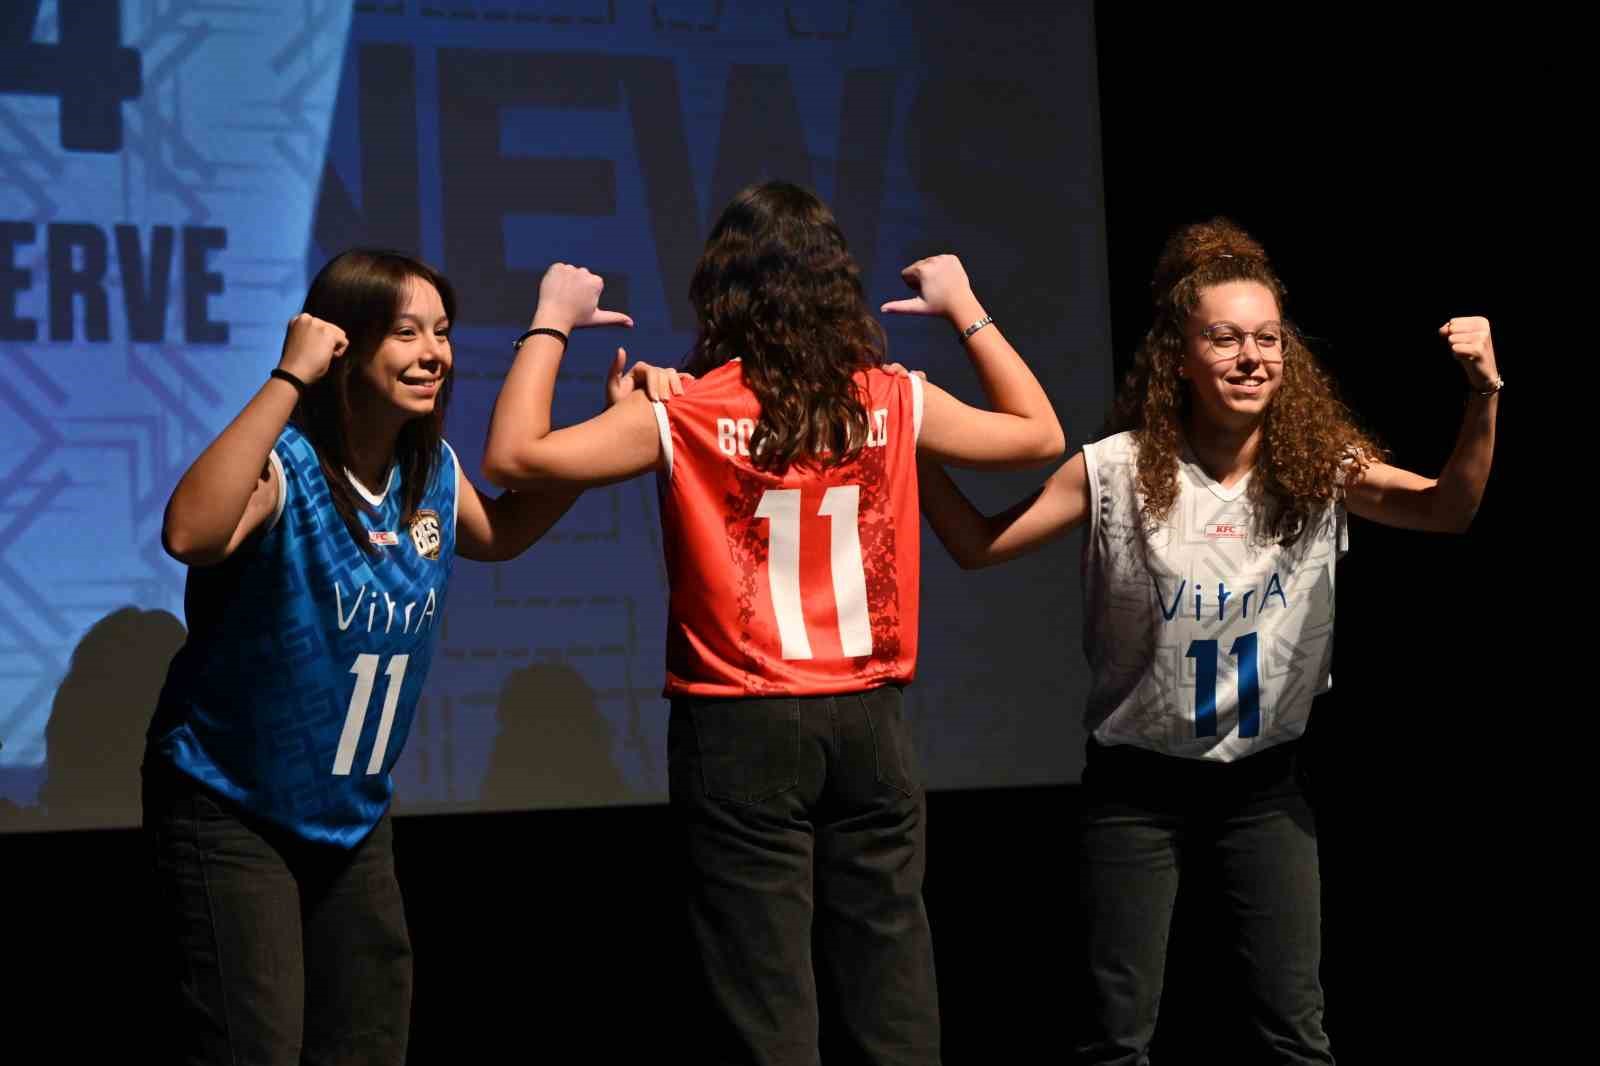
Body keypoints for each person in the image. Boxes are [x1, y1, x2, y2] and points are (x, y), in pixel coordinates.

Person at [482, 180, 1065, 1066]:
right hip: (869, 724)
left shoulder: (685, 408)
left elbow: (513, 457)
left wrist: (550, 319)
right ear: (839, 287)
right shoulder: (892, 399)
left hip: (740, 725)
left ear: (723, 293)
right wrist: (966, 308)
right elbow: (1038, 436)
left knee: (763, 1013)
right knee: (894, 1001)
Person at [914, 218, 1501, 1064]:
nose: (1251, 356)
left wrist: (1484, 391)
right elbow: (976, 545)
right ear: (1178, 356)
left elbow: (1449, 508)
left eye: (1267, 338)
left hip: (1264, 791)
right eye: (1224, 338)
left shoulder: (1318, 466)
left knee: (1295, 1035)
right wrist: (902, 435)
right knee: (1115, 1040)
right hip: (1134, 792)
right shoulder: (1115, 467)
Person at [143, 248, 650, 1064]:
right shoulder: (290, 469)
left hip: (353, 819)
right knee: (254, 1047)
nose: (432, 354)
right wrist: (287, 379)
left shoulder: (432, 475)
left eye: (442, 333)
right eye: (406, 333)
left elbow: (509, 531)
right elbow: (191, 534)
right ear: (343, 347)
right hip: (233, 805)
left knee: (369, 1043)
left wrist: (604, 428)